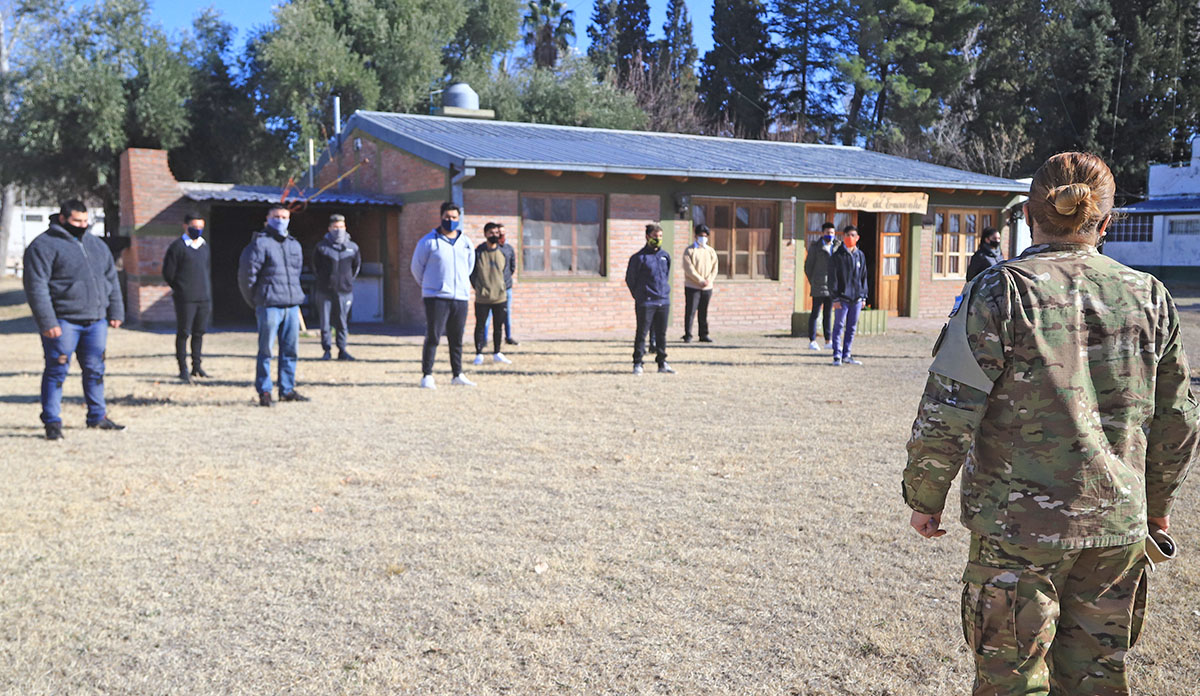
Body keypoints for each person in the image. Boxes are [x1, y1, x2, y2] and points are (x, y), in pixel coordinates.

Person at [903, 152, 1199, 696]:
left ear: (1030, 215)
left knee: (1010, 683)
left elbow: (949, 406)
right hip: (1116, 527)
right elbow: (1177, 420)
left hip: (1018, 532)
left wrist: (926, 496)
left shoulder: (1002, 290)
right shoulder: (1150, 297)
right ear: (1106, 223)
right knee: (1097, 680)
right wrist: (1155, 506)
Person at [23, 199, 125, 439]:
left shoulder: (97, 245)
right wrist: (48, 322)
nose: (82, 225)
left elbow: (111, 279)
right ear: (62, 219)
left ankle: (97, 416)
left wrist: (117, 311)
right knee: (57, 371)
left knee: (95, 369)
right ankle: (52, 421)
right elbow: (36, 287)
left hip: (95, 321)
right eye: (76, 221)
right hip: (63, 322)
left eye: (86, 221)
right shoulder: (43, 246)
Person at [238, 204, 309, 407]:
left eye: (284, 216)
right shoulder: (260, 244)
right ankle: (265, 390)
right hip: (269, 305)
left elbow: (296, 274)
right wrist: (255, 300)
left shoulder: (294, 245)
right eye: (276, 216)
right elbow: (247, 276)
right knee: (266, 351)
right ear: (267, 220)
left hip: (291, 305)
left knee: (290, 350)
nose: (281, 220)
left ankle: (287, 389)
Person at [411, 201, 476, 389]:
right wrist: (430, 287)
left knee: (457, 337)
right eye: (447, 217)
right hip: (436, 297)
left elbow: (469, 267)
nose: (451, 220)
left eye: (454, 217)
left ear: (459, 219)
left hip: (460, 297)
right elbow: (417, 268)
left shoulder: (466, 243)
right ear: (441, 217)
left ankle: (457, 374)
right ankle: (427, 375)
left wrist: (462, 285)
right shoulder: (428, 241)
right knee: (433, 336)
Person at [162, 211, 212, 383]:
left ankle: (196, 366)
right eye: (194, 227)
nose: (197, 230)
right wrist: (181, 289)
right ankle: (182, 368)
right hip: (185, 298)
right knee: (184, 333)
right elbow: (168, 273)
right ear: (185, 226)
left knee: (199, 333)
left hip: (203, 297)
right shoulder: (177, 247)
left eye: (200, 227)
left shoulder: (204, 246)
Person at [625, 223, 674, 375]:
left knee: (661, 334)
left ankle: (662, 362)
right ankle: (638, 363)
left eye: (660, 236)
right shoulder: (638, 258)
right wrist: (640, 296)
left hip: (663, 300)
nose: (658, 239)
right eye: (655, 236)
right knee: (642, 333)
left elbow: (666, 275)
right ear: (647, 237)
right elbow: (630, 279)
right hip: (646, 302)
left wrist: (664, 292)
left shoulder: (665, 256)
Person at [312, 213, 362, 361]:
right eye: (335, 227)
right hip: (324, 291)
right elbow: (315, 266)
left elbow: (356, 266)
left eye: (341, 227)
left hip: (345, 292)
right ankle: (326, 350)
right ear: (329, 228)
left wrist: (347, 281)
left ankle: (342, 349)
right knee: (325, 323)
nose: (338, 230)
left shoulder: (352, 248)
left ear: (345, 227)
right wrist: (325, 281)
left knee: (342, 322)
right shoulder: (321, 247)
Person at [471, 222, 513, 366]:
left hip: (500, 297)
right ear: (485, 234)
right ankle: (479, 353)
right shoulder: (478, 252)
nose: (494, 235)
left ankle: (497, 352)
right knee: (480, 326)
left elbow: (509, 270)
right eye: (491, 233)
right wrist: (478, 288)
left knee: (498, 326)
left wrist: (502, 287)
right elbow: (472, 272)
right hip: (482, 297)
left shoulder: (504, 251)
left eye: (496, 233)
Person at [828, 225, 868, 366]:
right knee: (839, 326)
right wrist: (835, 298)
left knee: (851, 328)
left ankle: (847, 354)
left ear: (857, 238)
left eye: (853, 235)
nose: (850, 238)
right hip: (842, 299)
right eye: (847, 235)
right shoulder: (837, 256)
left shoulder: (860, 255)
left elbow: (864, 277)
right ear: (843, 237)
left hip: (856, 299)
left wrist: (863, 296)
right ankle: (837, 355)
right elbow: (832, 279)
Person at [804, 221, 838, 350]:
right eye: (828, 233)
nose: (830, 235)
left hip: (832, 286)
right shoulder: (815, 247)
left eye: (832, 233)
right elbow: (808, 266)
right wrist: (814, 280)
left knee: (828, 314)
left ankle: (828, 340)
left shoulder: (837, 247)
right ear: (823, 233)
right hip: (819, 285)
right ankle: (812, 340)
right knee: (815, 313)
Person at [681, 224, 717, 343]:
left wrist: (708, 280)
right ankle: (688, 334)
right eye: (701, 235)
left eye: (705, 236)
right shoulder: (690, 250)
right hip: (692, 286)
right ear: (695, 236)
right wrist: (700, 280)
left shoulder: (710, 251)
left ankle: (703, 334)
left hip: (707, 287)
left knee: (704, 311)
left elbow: (714, 268)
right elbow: (688, 268)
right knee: (690, 311)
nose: (703, 238)